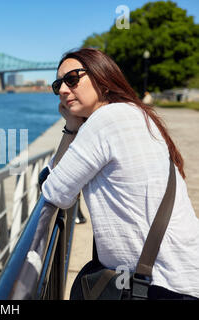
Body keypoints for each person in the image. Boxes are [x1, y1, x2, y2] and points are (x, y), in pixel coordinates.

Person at [40, 48, 199, 299]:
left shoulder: (105, 119)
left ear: (102, 78)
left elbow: (53, 190)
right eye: (57, 84)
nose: (62, 90)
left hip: (163, 286)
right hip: (180, 276)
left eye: (72, 79)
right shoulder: (134, 113)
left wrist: (70, 128)